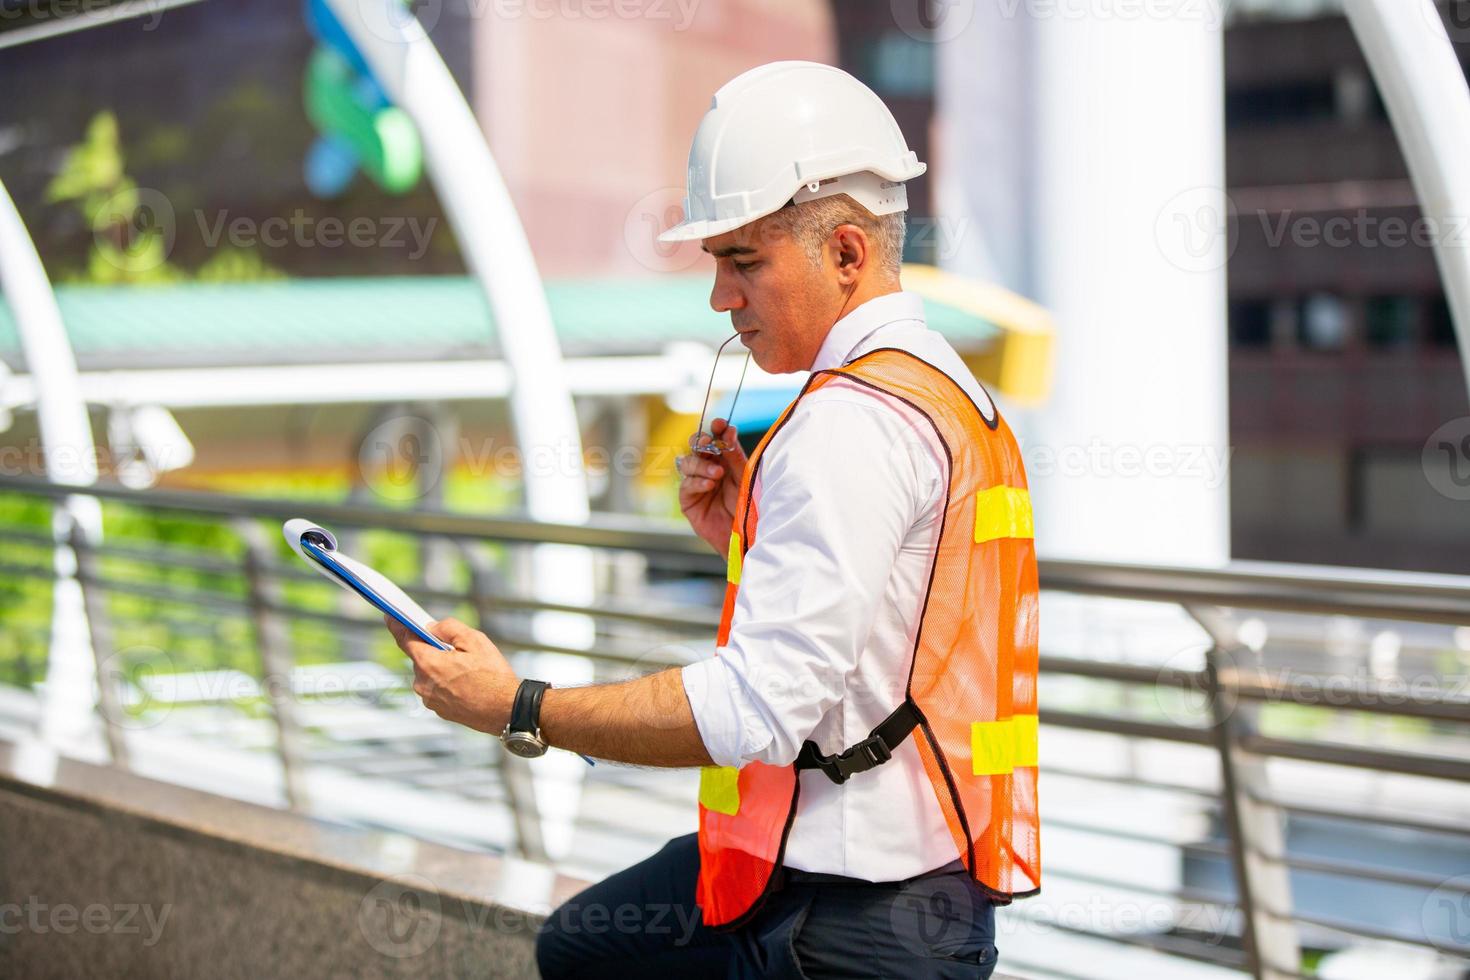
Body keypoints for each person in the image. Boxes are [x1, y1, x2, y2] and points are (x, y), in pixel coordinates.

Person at [384, 60, 1039, 979]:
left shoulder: (846, 425)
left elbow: (754, 710)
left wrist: (519, 706)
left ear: (846, 253)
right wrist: (755, 532)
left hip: (842, 921)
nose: (721, 298)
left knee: (582, 955)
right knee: (580, 947)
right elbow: (908, 602)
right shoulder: (949, 390)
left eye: (745, 262)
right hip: (905, 885)